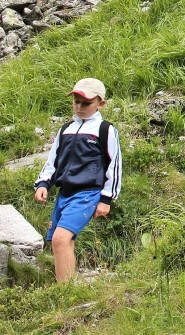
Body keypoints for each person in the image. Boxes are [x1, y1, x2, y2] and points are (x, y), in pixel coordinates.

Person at [34, 78, 122, 284]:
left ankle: (64, 292)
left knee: (60, 239)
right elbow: (53, 160)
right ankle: (67, 290)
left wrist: (106, 199)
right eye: (76, 102)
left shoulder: (105, 130)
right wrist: (43, 183)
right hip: (64, 193)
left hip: (87, 193)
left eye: (86, 103)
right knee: (62, 242)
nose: (80, 107)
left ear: (101, 104)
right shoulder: (65, 129)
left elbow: (114, 165)